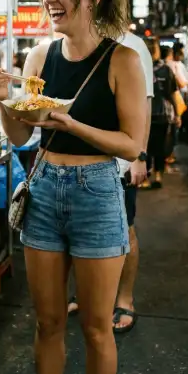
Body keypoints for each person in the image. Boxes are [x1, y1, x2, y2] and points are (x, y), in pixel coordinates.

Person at [0, 0, 146, 374]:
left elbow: (133, 143)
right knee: (48, 320)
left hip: (99, 189)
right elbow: (21, 135)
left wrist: (72, 124)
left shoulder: (123, 59)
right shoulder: (38, 57)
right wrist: (7, 99)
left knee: (98, 326)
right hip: (45, 185)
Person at [67, 26, 154, 333]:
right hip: (80, 163)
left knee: (124, 230)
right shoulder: (77, 43)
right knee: (80, 231)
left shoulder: (132, 46)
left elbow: (145, 104)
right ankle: (86, 291)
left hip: (119, 160)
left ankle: (125, 299)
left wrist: (139, 156)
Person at [141, 38, 180, 189]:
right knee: (159, 147)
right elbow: (171, 94)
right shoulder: (165, 69)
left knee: (145, 147)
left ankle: (145, 177)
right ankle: (157, 175)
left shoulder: (136, 66)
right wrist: (176, 114)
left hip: (143, 115)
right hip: (160, 114)